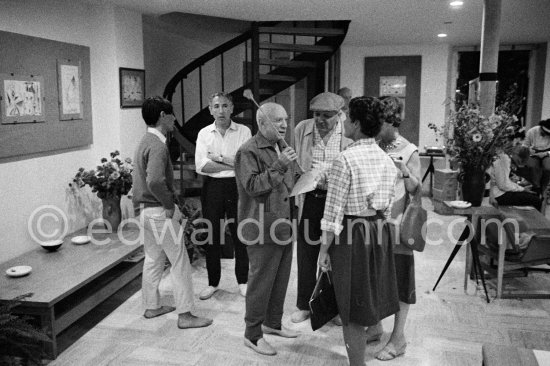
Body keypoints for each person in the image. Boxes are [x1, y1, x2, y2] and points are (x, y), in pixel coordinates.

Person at [318, 96, 400, 366]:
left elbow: (332, 214)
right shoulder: (387, 160)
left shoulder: (345, 159)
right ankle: (373, 333)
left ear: (355, 122)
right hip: (379, 230)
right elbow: (388, 209)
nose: (343, 122)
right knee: (370, 292)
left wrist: (323, 250)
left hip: (352, 232)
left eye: (345, 117)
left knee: (350, 304)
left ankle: (357, 364)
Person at [133, 96, 212, 329]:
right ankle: (186, 315)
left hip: (145, 212)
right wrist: (169, 205)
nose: (175, 119)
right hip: (159, 212)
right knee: (180, 261)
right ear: (162, 116)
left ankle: (152, 306)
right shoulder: (157, 145)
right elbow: (156, 181)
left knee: (153, 258)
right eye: (172, 115)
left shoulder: (144, 141)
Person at [235, 102, 299, 356]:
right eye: (278, 121)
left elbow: (285, 185)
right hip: (261, 227)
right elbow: (253, 186)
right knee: (261, 282)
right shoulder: (247, 151)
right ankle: (252, 334)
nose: (285, 125)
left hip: (283, 224)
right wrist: (281, 165)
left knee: (280, 279)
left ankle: (272, 323)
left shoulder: (280, 146)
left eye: (286, 119)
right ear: (262, 124)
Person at [367, 95, 421, 361]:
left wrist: (405, 172)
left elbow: (417, 189)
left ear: (391, 121)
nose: (376, 127)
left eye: (380, 122)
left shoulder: (409, 150)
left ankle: (398, 338)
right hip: (373, 226)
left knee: (400, 282)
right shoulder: (373, 145)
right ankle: (375, 326)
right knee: (375, 276)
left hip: (398, 228)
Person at [291, 92, 352, 324]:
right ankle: (304, 304)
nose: (320, 120)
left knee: (334, 253)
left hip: (337, 199)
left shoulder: (349, 134)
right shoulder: (302, 129)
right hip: (310, 197)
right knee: (307, 251)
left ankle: (331, 306)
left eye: (327, 116)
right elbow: (297, 163)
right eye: (316, 114)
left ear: (339, 114)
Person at [195, 92, 251, 300]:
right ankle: (213, 282)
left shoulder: (244, 131)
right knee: (213, 235)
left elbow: (244, 163)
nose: (221, 110)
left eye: (225, 106)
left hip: (237, 187)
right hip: (212, 188)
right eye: (216, 106)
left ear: (232, 108)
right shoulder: (204, 133)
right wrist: (231, 162)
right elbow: (202, 166)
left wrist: (217, 158)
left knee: (240, 235)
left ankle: (243, 281)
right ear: (210, 109)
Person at [524, 119, 550, 195]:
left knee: (548, 167)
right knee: (532, 166)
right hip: (533, 154)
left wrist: (546, 153)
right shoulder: (532, 131)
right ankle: (536, 187)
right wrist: (528, 150)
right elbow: (525, 145)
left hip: (547, 154)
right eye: (544, 132)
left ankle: (543, 187)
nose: (545, 135)